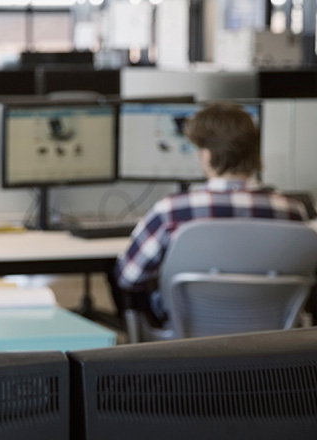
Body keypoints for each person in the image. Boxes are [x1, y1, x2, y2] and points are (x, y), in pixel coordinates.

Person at [115, 102, 308, 328]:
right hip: (270, 337)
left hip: (185, 337)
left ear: (206, 155)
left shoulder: (171, 211)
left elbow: (128, 276)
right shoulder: (292, 211)